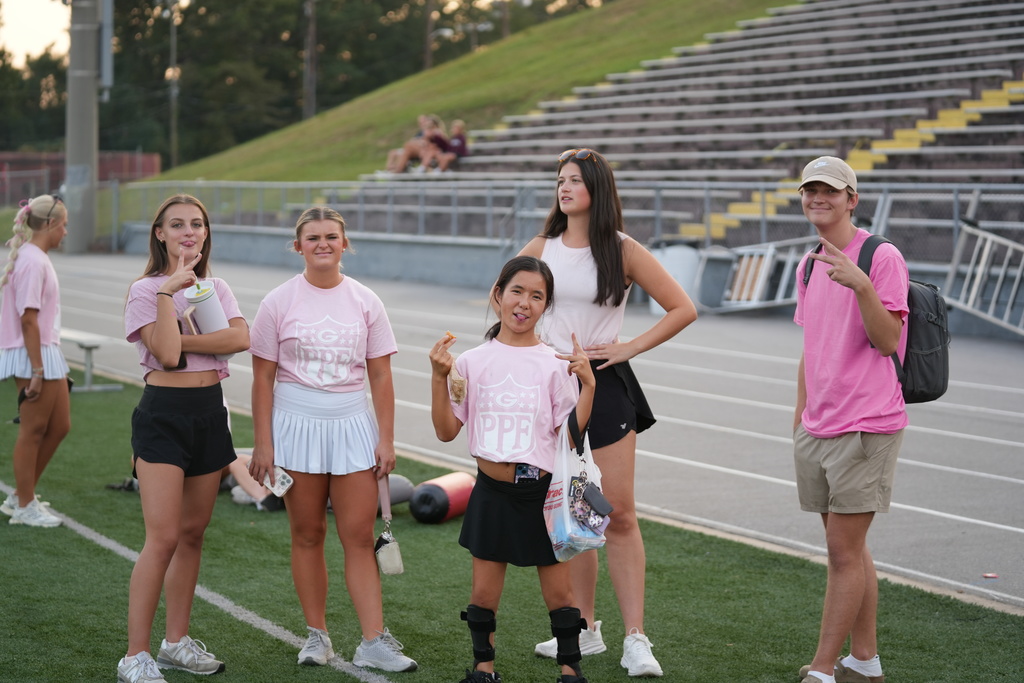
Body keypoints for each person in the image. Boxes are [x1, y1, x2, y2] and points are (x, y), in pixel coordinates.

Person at [520, 148, 697, 677]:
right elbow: (507, 298)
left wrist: (628, 348)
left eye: (574, 179)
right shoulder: (542, 247)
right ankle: (585, 630)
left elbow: (684, 308)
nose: (563, 187)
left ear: (597, 188)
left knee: (616, 512)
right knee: (570, 511)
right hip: (549, 389)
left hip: (606, 386)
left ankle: (636, 638)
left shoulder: (621, 249)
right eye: (559, 179)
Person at [247, 206, 417, 673]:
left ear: (345, 243)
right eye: (313, 237)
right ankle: (317, 636)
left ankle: (372, 641)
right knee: (307, 533)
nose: (323, 244)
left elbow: (381, 374)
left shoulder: (366, 300)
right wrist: (263, 443)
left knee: (359, 536)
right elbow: (262, 379)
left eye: (331, 236)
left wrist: (387, 439)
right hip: (296, 425)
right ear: (297, 245)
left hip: (351, 426)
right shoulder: (277, 302)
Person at [430, 255, 596, 683]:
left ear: (546, 305)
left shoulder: (556, 364)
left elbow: (573, 436)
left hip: (540, 495)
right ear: (498, 294)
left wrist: (589, 385)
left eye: (537, 296)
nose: (524, 303)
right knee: (483, 592)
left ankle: (570, 670)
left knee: (559, 592)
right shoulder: (469, 362)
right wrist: (437, 377)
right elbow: (447, 431)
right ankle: (483, 669)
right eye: (517, 291)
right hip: (491, 490)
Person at [118, 194, 251, 683]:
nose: (189, 232)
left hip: (209, 413)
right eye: (177, 225)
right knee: (164, 538)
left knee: (193, 535)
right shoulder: (144, 290)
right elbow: (169, 358)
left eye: (197, 224)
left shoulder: (216, 286)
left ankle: (174, 643)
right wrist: (167, 294)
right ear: (160, 233)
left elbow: (239, 339)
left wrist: (179, 334)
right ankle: (135, 655)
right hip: (164, 416)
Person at [792, 157, 908, 683]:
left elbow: (888, 342)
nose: (819, 198)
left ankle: (822, 668)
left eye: (830, 191)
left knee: (842, 553)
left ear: (851, 199)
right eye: (810, 190)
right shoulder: (809, 262)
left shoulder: (882, 257)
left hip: (866, 426)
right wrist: (799, 418)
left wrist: (861, 284)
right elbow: (810, 346)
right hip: (817, 427)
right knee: (850, 550)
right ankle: (864, 660)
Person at [0, 195, 71, 528]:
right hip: (35, 354)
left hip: (45, 351)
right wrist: (37, 370)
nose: (66, 232)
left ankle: (20, 494)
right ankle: (24, 503)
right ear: (50, 224)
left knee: (59, 426)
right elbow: (27, 319)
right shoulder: (32, 261)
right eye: (65, 225)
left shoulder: (35, 258)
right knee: (32, 430)